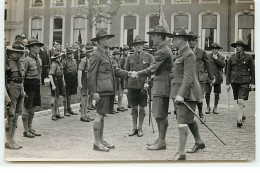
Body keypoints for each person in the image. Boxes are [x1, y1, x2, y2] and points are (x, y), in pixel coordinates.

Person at [131, 25, 173, 150]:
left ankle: (162, 141)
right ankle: (160, 139)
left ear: (160, 37)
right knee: (159, 113)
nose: (152, 39)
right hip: (161, 83)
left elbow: (152, 68)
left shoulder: (163, 50)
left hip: (162, 84)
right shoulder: (164, 48)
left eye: (154, 36)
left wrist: (137, 73)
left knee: (160, 114)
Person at [88, 30, 130, 152]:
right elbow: (91, 74)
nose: (109, 41)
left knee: (102, 115)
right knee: (99, 115)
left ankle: (101, 140)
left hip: (107, 89)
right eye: (107, 39)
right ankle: (96, 143)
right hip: (101, 90)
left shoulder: (106, 54)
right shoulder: (96, 55)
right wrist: (94, 91)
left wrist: (129, 74)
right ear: (100, 41)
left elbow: (115, 71)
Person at [168, 27, 205, 160]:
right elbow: (177, 72)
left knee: (182, 121)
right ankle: (199, 141)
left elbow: (188, 77)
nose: (172, 41)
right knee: (188, 119)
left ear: (180, 40)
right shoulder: (180, 53)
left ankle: (181, 152)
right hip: (179, 89)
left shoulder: (188, 54)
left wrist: (181, 94)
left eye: (174, 38)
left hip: (187, 92)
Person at [125, 35, 153, 137]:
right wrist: (125, 87)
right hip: (132, 86)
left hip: (143, 86)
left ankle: (140, 128)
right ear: (133, 46)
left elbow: (152, 71)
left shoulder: (149, 57)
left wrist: (147, 82)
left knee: (142, 108)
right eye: (136, 45)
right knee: (133, 108)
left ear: (143, 45)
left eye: (140, 44)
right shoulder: (129, 57)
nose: (138, 46)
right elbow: (126, 72)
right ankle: (134, 128)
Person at [226, 39, 255, 127]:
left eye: (239, 46)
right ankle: (241, 114)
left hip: (245, 81)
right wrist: (227, 83)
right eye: (236, 47)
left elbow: (253, 71)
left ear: (243, 48)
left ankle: (239, 119)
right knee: (239, 100)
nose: (237, 48)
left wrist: (253, 83)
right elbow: (228, 71)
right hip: (234, 81)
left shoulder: (248, 57)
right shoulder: (232, 58)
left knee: (241, 100)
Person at [188, 32, 214, 122]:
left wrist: (212, 77)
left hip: (199, 78)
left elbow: (208, 64)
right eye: (189, 40)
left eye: (193, 40)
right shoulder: (184, 51)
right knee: (190, 97)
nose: (191, 42)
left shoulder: (201, 52)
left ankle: (200, 113)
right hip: (188, 78)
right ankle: (191, 115)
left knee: (199, 98)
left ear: (196, 41)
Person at [5, 41, 27, 149]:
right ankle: (8, 141)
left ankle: (12, 139)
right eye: (19, 52)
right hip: (12, 88)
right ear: (13, 52)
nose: (21, 54)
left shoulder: (20, 62)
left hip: (20, 88)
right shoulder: (7, 63)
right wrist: (6, 96)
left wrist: (23, 90)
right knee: (11, 114)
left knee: (17, 114)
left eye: (22, 52)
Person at [22, 37, 44, 138]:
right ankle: (25, 130)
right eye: (36, 46)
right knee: (27, 106)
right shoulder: (27, 60)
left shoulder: (38, 59)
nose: (38, 48)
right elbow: (22, 75)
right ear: (31, 48)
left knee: (33, 106)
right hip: (29, 85)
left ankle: (30, 127)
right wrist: (23, 90)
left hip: (36, 84)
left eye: (39, 46)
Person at [205, 43, 226, 114]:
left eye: (216, 48)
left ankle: (215, 107)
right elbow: (205, 66)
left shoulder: (221, 57)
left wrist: (216, 59)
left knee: (217, 93)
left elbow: (223, 65)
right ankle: (208, 106)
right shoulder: (208, 56)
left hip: (217, 78)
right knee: (207, 93)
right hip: (209, 78)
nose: (214, 50)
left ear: (218, 50)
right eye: (213, 48)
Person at [78, 43, 95, 122]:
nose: (91, 53)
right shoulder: (83, 60)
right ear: (86, 53)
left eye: (91, 51)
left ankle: (85, 114)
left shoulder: (90, 60)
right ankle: (82, 115)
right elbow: (80, 71)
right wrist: (79, 83)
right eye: (89, 52)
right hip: (84, 79)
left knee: (87, 97)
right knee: (83, 98)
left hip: (89, 80)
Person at [48, 51, 66, 121]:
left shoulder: (60, 64)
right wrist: (53, 85)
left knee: (58, 98)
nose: (60, 58)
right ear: (55, 58)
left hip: (59, 81)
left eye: (60, 57)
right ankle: (53, 114)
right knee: (54, 98)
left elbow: (62, 74)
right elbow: (50, 75)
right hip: (55, 81)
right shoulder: (54, 65)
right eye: (58, 57)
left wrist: (63, 82)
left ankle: (57, 113)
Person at [63, 47, 78, 116]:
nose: (71, 54)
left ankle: (69, 109)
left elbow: (75, 69)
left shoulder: (74, 60)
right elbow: (62, 72)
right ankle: (65, 110)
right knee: (66, 95)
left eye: (71, 53)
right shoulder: (64, 61)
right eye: (69, 53)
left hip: (73, 78)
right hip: (67, 79)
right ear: (66, 54)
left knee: (70, 95)